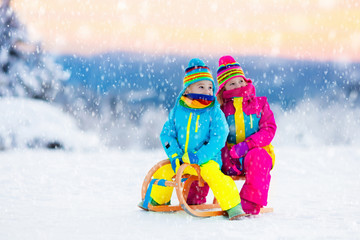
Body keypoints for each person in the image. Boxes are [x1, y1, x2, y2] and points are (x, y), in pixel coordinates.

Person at [143, 58, 246, 220]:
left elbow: (219, 137)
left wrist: (200, 156)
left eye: (210, 87)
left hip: (207, 160)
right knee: (164, 171)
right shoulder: (179, 110)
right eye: (201, 86)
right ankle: (157, 201)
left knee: (216, 177)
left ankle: (233, 206)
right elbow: (167, 134)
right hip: (183, 160)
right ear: (187, 89)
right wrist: (175, 154)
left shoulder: (213, 111)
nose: (207, 91)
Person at [216, 55, 277, 215]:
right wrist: (227, 158)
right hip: (231, 157)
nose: (238, 85)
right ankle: (195, 198)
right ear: (224, 89)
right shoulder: (221, 110)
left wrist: (248, 145)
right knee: (209, 162)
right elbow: (218, 135)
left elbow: (268, 129)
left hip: (256, 152)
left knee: (259, 158)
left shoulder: (260, 104)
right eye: (232, 83)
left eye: (240, 81)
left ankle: (249, 204)